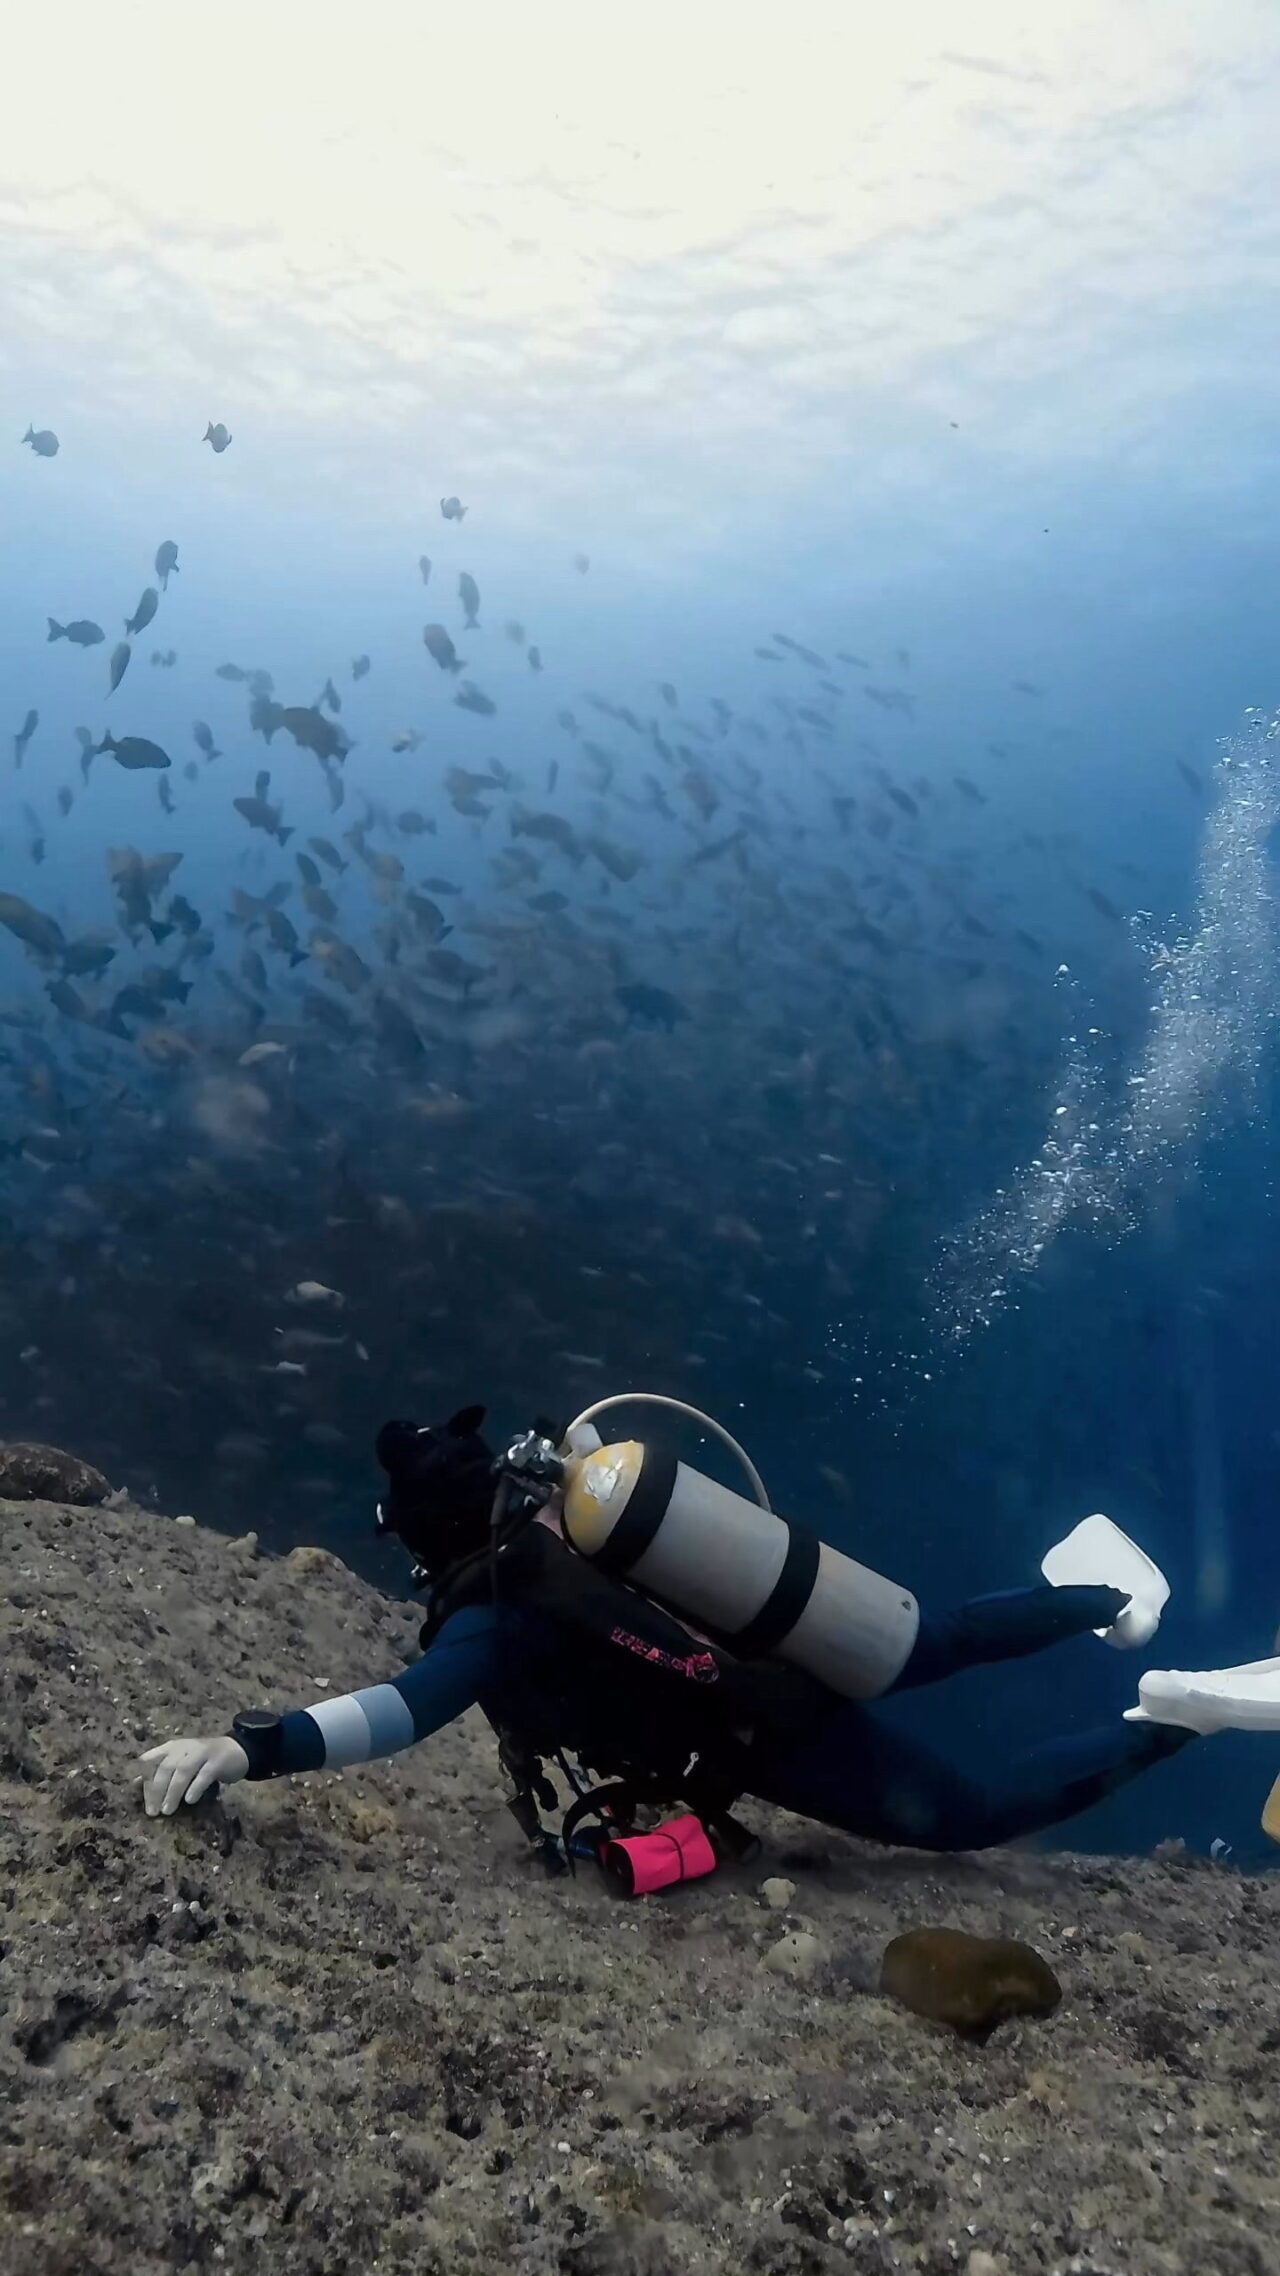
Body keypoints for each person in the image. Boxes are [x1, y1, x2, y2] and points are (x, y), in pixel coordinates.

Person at [137, 1405, 1280, 1865]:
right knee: (933, 1639)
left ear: (427, 1537)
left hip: (764, 1727)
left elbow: (399, 1711)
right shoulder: (571, 1508)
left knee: (966, 1817)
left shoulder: (492, 1613)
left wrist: (249, 1745)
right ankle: (1099, 1594)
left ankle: (1170, 1721)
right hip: (788, 1625)